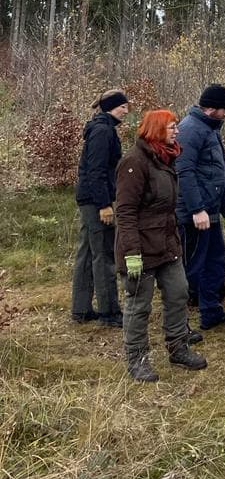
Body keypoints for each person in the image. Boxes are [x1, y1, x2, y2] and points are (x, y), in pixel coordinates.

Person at [116, 109, 207, 382]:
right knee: (139, 306)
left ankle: (178, 348)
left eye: (176, 127)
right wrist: (132, 254)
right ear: (156, 130)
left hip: (167, 244)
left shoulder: (166, 158)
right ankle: (137, 360)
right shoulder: (134, 162)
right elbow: (125, 212)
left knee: (179, 293)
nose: (176, 131)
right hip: (140, 249)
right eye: (171, 127)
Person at [176, 84, 225, 331]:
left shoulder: (209, 128)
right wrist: (196, 209)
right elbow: (184, 171)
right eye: (224, 109)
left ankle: (211, 311)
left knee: (215, 262)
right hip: (196, 214)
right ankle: (180, 325)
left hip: (210, 211)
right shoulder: (191, 129)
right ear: (212, 108)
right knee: (192, 267)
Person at [71, 89, 129, 327]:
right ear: (111, 107)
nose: (126, 111)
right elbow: (96, 171)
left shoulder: (101, 128)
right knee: (104, 254)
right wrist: (104, 205)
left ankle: (81, 309)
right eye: (122, 107)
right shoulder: (103, 131)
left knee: (86, 253)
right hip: (96, 201)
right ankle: (109, 311)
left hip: (90, 198)